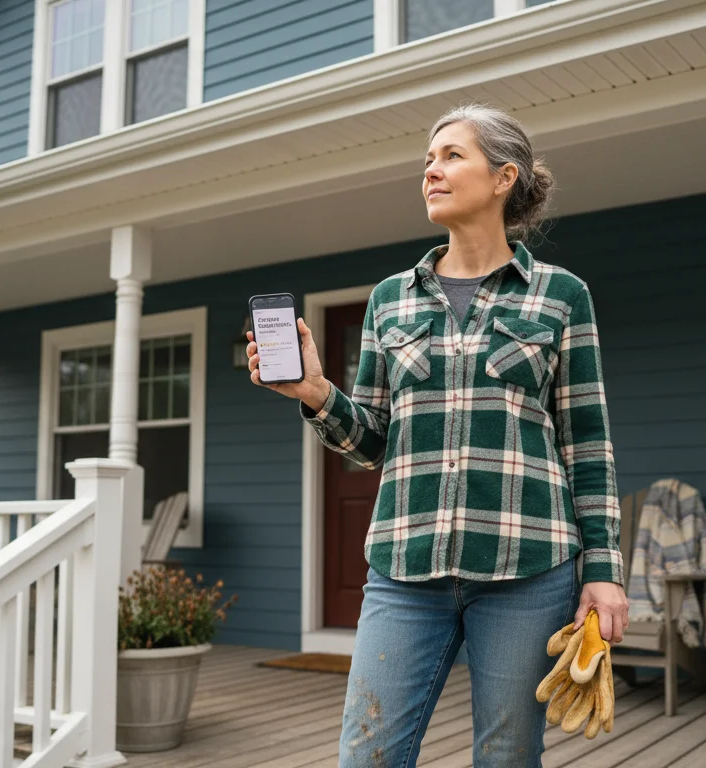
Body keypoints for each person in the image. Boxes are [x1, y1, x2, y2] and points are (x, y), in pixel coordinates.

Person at [245, 103, 628, 767]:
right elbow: (368, 443)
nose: (431, 170)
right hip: (404, 566)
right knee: (366, 755)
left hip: (529, 568)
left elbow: (587, 448)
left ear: (505, 177)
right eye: (427, 159)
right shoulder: (391, 299)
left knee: (507, 756)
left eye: (451, 155)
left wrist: (604, 572)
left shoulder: (561, 296)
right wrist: (313, 391)